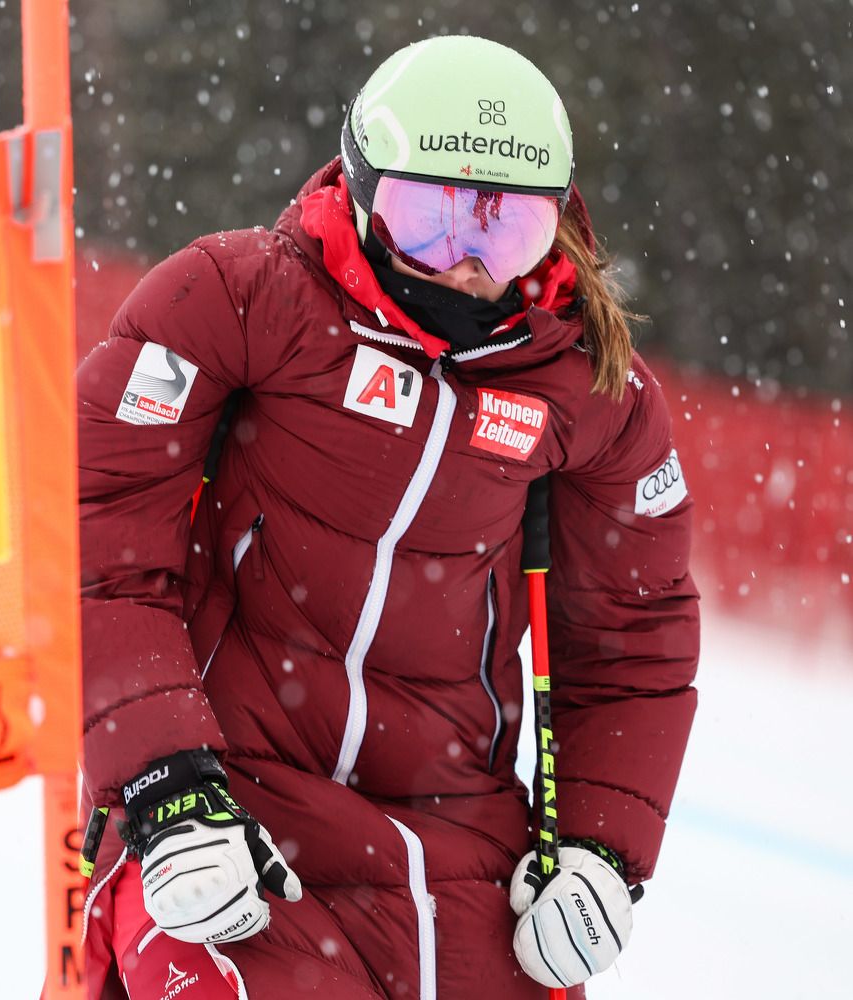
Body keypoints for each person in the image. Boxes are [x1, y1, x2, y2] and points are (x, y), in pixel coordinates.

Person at [76, 35, 698, 999]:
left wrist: (601, 853)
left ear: (560, 226)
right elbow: (100, 539)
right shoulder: (241, 300)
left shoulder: (589, 389)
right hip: (235, 808)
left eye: (507, 229)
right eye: (431, 217)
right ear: (364, 190)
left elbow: (633, 640)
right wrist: (165, 787)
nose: (466, 263)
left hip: (463, 850)